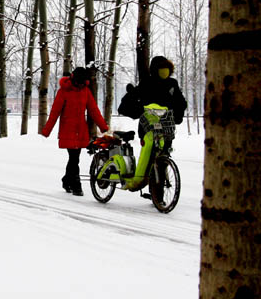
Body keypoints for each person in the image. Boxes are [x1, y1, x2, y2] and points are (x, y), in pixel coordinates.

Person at [117, 55, 187, 189]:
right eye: (162, 69)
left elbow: (180, 102)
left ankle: (156, 192)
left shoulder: (171, 84)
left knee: (161, 156)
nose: (164, 72)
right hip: (150, 126)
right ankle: (154, 190)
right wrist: (132, 107)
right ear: (155, 70)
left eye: (166, 69)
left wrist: (177, 116)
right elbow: (134, 97)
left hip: (165, 127)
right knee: (152, 155)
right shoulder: (148, 83)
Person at [40, 66, 108, 196]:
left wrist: (103, 126)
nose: (81, 84)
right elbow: (55, 112)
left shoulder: (86, 91)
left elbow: (93, 110)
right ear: (74, 79)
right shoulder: (64, 91)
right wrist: (46, 130)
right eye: (79, 81)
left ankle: (67, 180)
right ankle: (76, 185)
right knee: (74, 157)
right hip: (68, 130)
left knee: (74, 158)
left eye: (83, 82)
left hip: (81, 130)